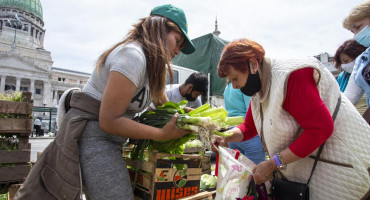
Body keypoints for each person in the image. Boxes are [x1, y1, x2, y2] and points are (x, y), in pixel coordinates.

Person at [15, 4, 194, 200]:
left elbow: (162, 101)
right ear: (159, 29)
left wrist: (184, 117)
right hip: (92, 135)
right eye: (178, 41)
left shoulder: (153, 67)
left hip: (111, 139)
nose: (178, 50)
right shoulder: (133, 57)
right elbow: (109, 120)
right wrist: (161, 133)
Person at [211, 38, 370, 199]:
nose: (235, 86)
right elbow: (249, 127)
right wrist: (226, 136)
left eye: (235, 79)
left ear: (253, 65)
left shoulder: (290, 75)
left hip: (343, 163)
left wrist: (272, 164)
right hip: (309, 168)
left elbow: (320, 129)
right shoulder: (258, 88)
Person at [223, 82, 265, 164]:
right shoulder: (243, 84)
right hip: (247, 131)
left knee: (238, 170)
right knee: (255, 170)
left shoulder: (228, 86)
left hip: (232, 132)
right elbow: (253, 109)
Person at [343, 0, 370, 110]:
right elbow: (349, 97)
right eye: (352, 31)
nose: (356, 35)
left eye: (358, 27)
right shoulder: (362, 60)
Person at [333, 39, 368, 115]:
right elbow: (346, 100)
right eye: (341, 63)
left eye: (346, 61)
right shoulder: (342, 78)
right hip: (353, 121)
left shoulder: (364, 73)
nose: (344, 65)